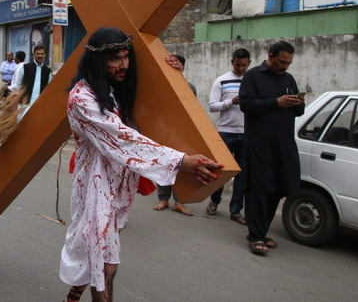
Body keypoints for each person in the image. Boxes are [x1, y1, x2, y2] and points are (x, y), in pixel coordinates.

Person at [60, 27, 223, 302]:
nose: (124, 64)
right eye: (116, 59)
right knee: (104, 263)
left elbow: (154, 102)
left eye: (127, 57)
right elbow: (123, 139)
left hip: (116, 186)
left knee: (97, 257)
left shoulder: (117, 87)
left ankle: (71, 298)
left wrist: (171, 73)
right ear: (98, 61)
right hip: (94, 189)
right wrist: (180, 160)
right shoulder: (81, 99)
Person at [239, 40, 304, 255]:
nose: (285, 66)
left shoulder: (289, 79)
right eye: (282, 62)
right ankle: (255, 235)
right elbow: (246, 105)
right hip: (259, 144)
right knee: (260, 189)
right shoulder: (253, 76)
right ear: (270, 56)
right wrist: (276, 102)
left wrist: (297, 102)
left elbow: (298, 113)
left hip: (283, 144)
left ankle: (263, 231)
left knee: (278, 187)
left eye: (289, 63)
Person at [206, 48, 251, 225]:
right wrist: (230, 102)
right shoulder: (222, 80)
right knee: (221, 171)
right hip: (226, 132)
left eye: (244, 65)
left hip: (247, 133)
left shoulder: (252, 80)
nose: (241, 68)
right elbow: (212, 106)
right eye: (238, 65)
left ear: (249, 64)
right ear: (232, 62)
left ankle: (236, 210)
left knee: (242, 173)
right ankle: (214, 201)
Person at [153, 53, 197, 216]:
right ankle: (163, 198)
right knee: (164, 164)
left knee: (182, 167)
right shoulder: (161, 85)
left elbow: (193, 112)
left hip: (183, 133)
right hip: (164, 131)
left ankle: (179, 201)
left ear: (183, 67)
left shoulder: (190, 87)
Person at [16, 44, 52, 116]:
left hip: (39, 106)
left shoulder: (48, 71)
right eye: (37, 54)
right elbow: (18, 85)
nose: (40, 56)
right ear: (34, 54)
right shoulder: (25, 68)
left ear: (45, 55)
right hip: (24, 104)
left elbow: (48, 89)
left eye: (42, 54)